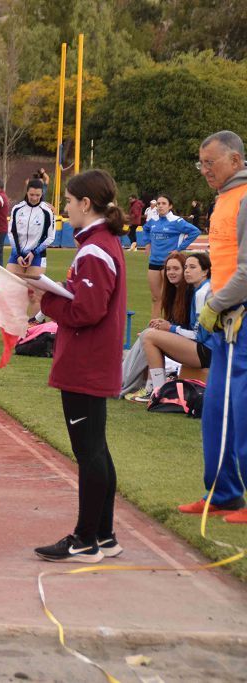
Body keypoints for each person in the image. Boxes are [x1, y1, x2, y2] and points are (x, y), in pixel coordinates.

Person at [33, 169, 127, 563]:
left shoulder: (95, 248)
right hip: (94, 359)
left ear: (86, 204)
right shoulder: (102, 243)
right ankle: (103, 534)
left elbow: (87, 310)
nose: (65, 209)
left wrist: (45, 299)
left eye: (69, 202)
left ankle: (85, 538)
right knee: (97, 450)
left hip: (86, 362)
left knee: (89, 452)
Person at [179, 130, 247, 521]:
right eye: (200, 163)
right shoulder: (223, 198)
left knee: (240, 410)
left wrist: (215, 304)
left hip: (240, 322)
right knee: (216, 411)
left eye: (211, 162)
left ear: (235, 161)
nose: (204, 169)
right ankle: (222, 492)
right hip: (226, 325)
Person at [126, 252, 210, 402]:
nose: (187, 271)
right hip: (202, 348)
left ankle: (156, 391)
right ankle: (149, 387)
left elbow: (199, 335)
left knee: (150, 336)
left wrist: (171, 329)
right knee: (149, 334)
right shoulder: (197, 290)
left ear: (205, 271)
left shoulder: (201, 293)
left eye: (191, 267)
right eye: (186, 267)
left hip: (206, 351)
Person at [142, 194, 201, 319]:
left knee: (170, 297)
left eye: (163, 203)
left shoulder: (177, 221)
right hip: (153, 262)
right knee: (155, 297)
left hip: (169, 263)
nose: (160, 206)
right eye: (158, 204)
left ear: (170, 206)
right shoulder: (153, 220)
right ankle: (153, 326)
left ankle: (171, 325)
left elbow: (195, 231)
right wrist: (147, 243)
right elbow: (145, 229)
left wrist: (179, 249)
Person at [7, 179, 55, 322]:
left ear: (42, 194)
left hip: (37, 255)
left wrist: (33, 252)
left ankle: (34, 330)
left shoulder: (47, 211)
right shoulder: (17, 209)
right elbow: (12, 232)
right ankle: (14, 327)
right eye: (31, 194)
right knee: (11, 290)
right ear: (27, 192)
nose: (34, 198)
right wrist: (18, 254)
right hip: (18, 254)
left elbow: (50, 236)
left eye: (37, 195)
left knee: (35, 294)